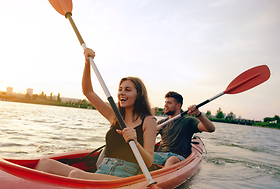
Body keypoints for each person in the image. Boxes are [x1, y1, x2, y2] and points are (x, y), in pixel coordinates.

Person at [35, 48, 157, 180]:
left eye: (128, 90)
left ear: (139, 94)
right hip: (102, 172)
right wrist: (87, 64)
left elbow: (149, 161)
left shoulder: (148, 121)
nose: (122, 93)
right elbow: (88, 91)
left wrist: (135, 142)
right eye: (120, 89)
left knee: (75, 175)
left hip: (125, 177)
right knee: (44, 163)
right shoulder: (114, 116)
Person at [153, 91, 215, 168]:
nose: (165, 105)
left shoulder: (189, 121)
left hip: (179, 157)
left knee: (172, 160)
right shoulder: (161, 123)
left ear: (178, 105)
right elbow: (147, 137)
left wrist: (198, 114)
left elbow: (211, 128)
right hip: (161, 155)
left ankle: (161, 177)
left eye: (169, 103)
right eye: (165, 102)